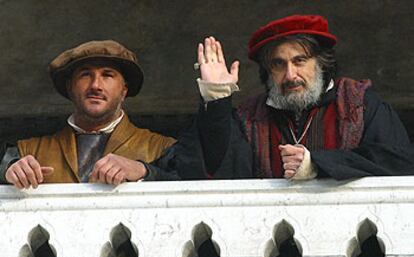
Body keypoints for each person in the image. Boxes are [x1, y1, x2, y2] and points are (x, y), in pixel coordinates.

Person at [183, 14, 414, 180]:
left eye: (299, 61)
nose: (290, 75)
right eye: (278, 64)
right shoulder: (250, 117)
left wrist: (317, 164)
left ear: (321, 63)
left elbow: (400, 162)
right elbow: (206, 165)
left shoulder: (359, 104)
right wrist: (217, 100)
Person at [0, 40, 176, 188]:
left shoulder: (162, 148)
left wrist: (143, 170)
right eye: (85, 75)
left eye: (107, 75)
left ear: (124, 90)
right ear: (69, 87)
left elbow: (192, 181)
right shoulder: (27, 150)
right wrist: (8, 169)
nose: (95, 85)